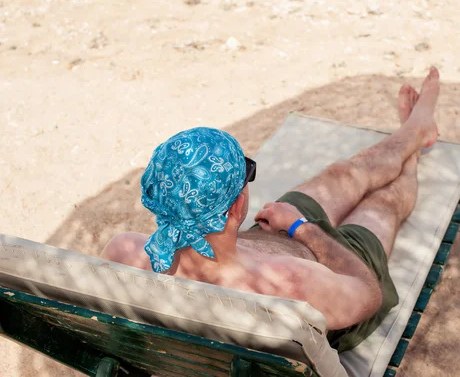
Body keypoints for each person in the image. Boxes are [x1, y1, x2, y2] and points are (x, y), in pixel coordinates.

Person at [101, 67, 440, 353]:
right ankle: (413, 149)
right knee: (384, 202)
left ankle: (413, 131)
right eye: (246, 173)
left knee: (343, 175)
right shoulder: (292, 288)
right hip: (326, 255)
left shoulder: (125, 252)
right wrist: (302, 229)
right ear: (237, 205)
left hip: (270, 238)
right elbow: (369, 294)